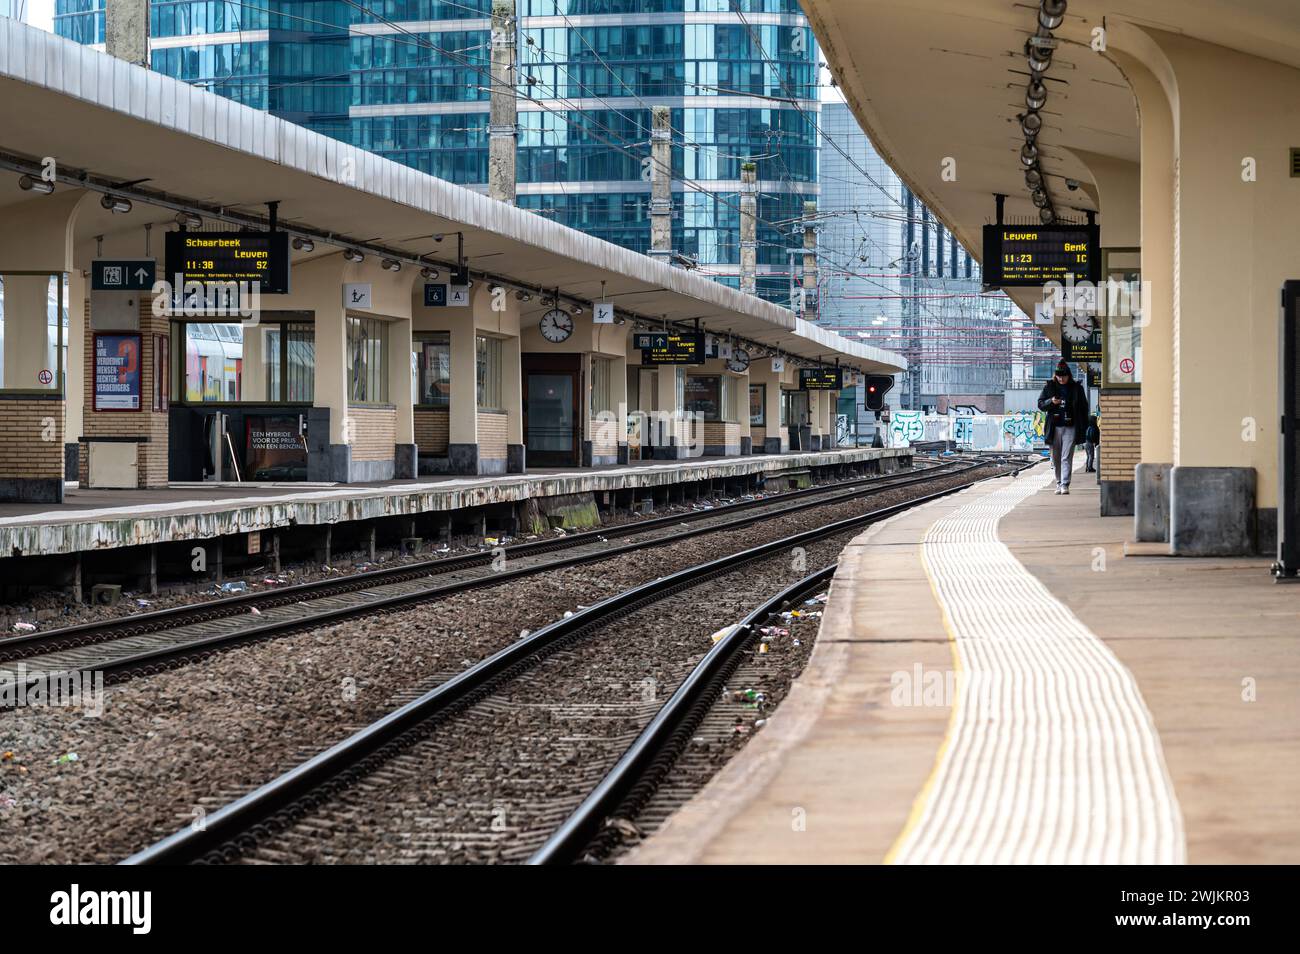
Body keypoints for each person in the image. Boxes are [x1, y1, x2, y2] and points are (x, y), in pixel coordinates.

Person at [1037, 360, 1089, 494]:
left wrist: (1083, 426)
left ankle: (1065, 484)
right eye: (1059, 376)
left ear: (1069, 375)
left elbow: (1084, 407)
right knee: (1055, 457)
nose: (1061, 379)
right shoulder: (1049, 387)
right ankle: (1058, 483)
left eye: (1064, 376)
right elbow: (1041, 404)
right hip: (1054, 427)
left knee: (1066, 456)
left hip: (1071, 426)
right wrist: (1051, 401)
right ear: (1055, 375)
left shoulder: (1077, 388)